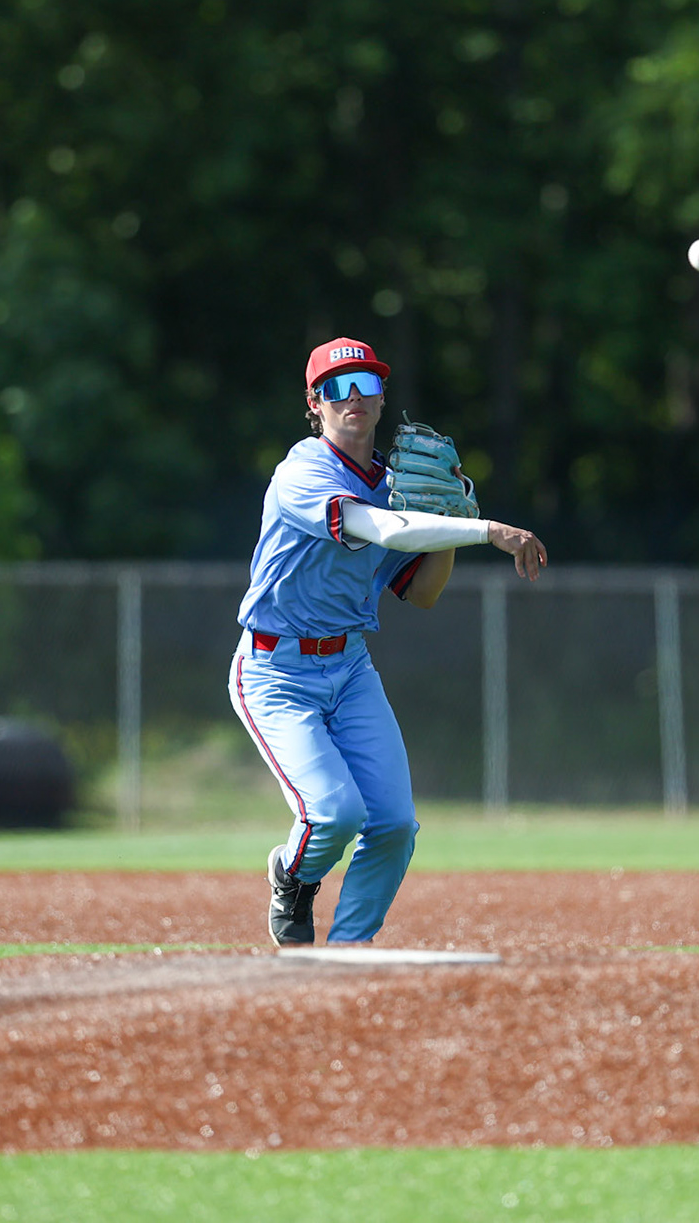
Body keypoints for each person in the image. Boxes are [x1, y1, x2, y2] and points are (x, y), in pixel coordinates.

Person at [229, 336, 548, 947]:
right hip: (275, 669)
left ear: (381, 399)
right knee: (334, 814)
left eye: (366, 384)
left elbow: (422, 591)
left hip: (349, 667)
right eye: (337, 388)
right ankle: (292, 875)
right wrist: (484, 529)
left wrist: (451, 519)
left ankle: (350, 951)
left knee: (396, 824)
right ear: (314, 404)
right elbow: (379, 528)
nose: (353, 397)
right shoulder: (302, 473)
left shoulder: (394, 486)